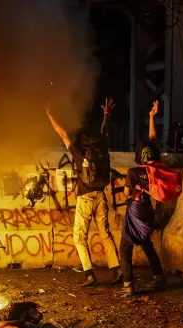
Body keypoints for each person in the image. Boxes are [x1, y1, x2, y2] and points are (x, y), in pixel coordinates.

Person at [45, 98, 121, 287]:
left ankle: (89, 274)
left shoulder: (79, 153)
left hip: (85, 199)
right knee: (106, 235)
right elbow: (105, 130)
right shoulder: (102, 146)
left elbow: (62, 133)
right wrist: (106, 114)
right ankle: (117, 270)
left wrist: (50, 116)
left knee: (79, 237)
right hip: (101, 196)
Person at [119, 100, 166, 296]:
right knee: (146, 243)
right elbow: (152, 140)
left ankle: (128, 285)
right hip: (148, 210)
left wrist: (124, 188)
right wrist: (152, 117)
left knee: (125, 248)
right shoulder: (155, 169)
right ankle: (159, 277)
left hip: (136, 212)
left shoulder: (132, 172)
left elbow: (127, 194)